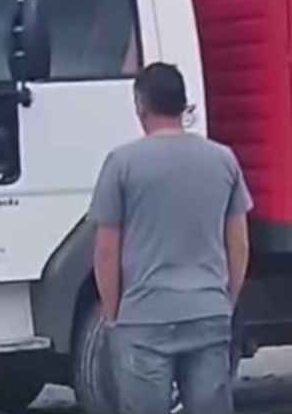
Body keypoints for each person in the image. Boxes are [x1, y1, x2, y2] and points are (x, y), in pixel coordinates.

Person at [90, 63, 252, 414]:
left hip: (144, 319)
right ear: (183, 105)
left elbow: (105, 252)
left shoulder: (121, 163)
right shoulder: (223, 160)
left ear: (140, 105)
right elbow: (239, 244)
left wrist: (114, 315)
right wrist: (225, 299)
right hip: (208, 312)